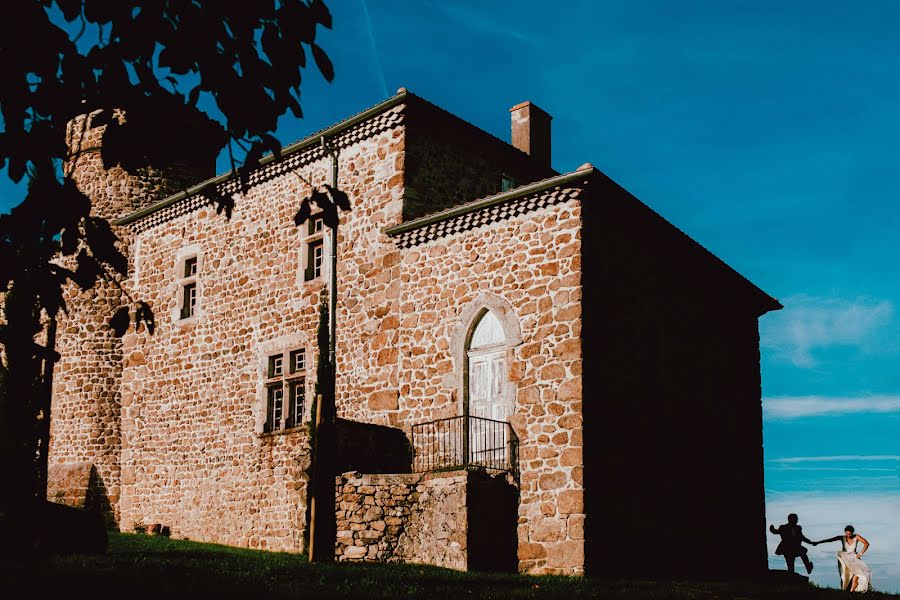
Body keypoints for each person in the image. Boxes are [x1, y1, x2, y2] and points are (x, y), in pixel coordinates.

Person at [813, 525, 872, 592]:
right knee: (844, 576)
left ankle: (852, 591)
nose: (848, 536)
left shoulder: (856, 537)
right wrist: (818, 542)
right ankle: (845, 591)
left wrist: (860, 553)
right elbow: (830, 540)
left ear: (852, 533)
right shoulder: (842, 537)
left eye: (850, 534)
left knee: (858, 574)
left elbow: (866, 543)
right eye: (847, 534)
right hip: (844, 559)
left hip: (854, 558)